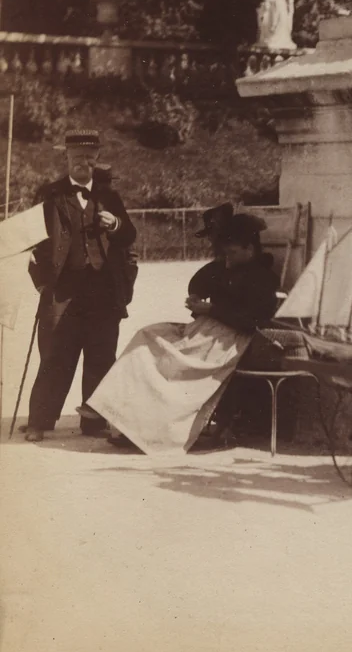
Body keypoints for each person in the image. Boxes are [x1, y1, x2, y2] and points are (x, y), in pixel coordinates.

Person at [88, 213, 279, 455]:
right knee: (146, 335)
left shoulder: (264, 279)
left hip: (227, 341)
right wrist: (198, 299)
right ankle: (120, 414)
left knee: (165, 358)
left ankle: (151, 431)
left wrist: (212, 309)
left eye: (231, 253)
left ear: (249, 249)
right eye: (224, 254)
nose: (227, 259)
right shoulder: (226, 268)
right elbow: (199, 282)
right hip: (204, 330)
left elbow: (253, 322)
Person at [24, 130, 137, 442]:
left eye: (89, 158)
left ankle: (95, 420)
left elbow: (129, 236)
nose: (83, 163)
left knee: (102, 354)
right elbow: (31, 240)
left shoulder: (110, 196)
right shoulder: (50, 194)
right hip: (62, 289)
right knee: (55, 354)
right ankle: (40, 421)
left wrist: (115, 224)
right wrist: (42, 282)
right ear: (66, 159)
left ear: (98, 159)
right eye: (76, 158)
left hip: (103, 289)